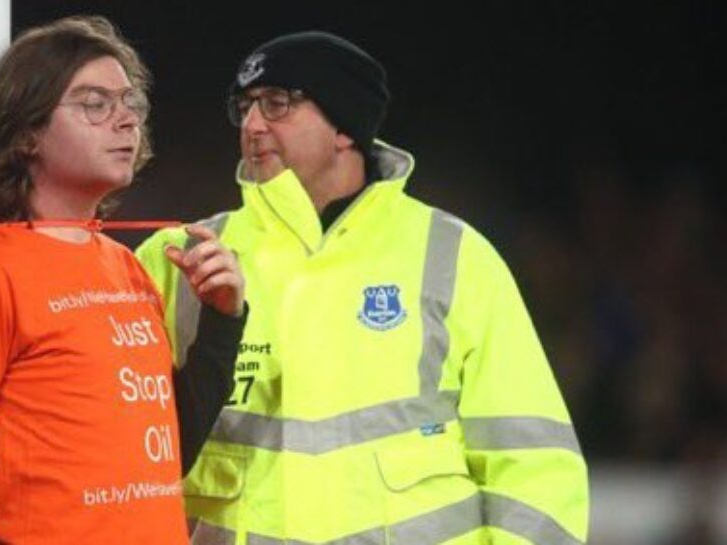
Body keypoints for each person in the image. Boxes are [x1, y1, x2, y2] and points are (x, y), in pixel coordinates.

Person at [136, 31, 588, 544]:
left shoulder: (455, 254)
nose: (253, 124)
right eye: (245, 107)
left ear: (345, 129)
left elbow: (533, 464)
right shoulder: (180, 258)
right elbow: (112, 460)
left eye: (277, 103)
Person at [0, 16, 247, 545]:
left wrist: (223, 322)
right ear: (26, 132)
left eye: (129, 103)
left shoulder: (126, 267)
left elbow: (167, 456)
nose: (125, 121)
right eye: (95, 103)